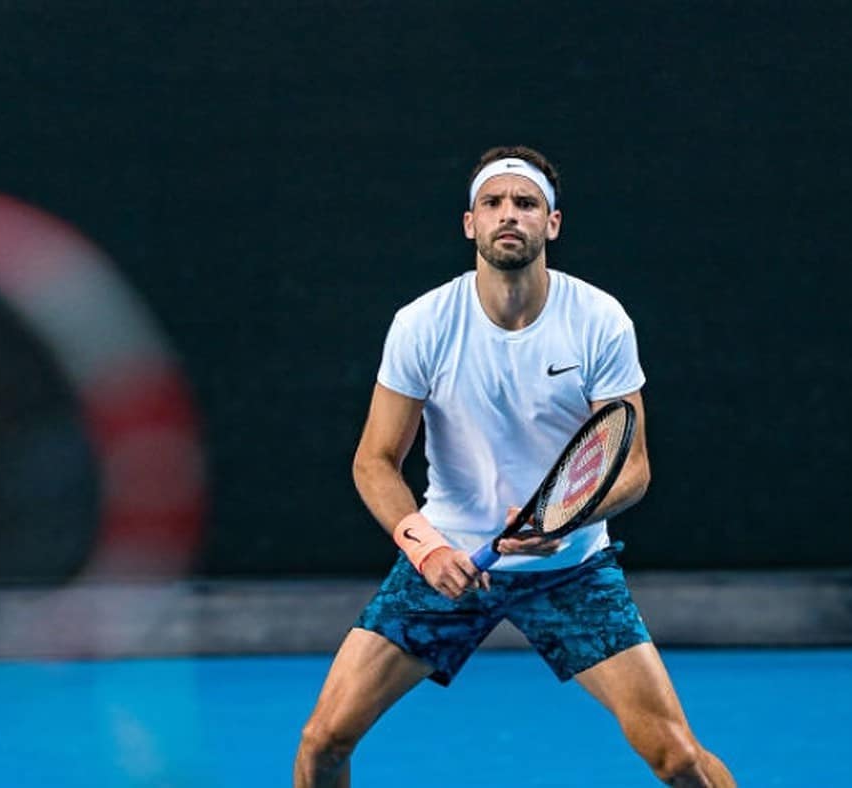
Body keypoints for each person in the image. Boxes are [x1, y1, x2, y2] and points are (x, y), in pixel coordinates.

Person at [294, 146, 735, 787]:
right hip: (447, 559)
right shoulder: (421, 325)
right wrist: (425, 548)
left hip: (571, 569)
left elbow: (633, 467)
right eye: (493, 203)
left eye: (526, 203)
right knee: (323, 742)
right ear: (469, 223)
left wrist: (570, 518)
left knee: (679, 758)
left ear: (550, 224)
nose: (509, 214)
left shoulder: (599, 321)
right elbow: (374, 462)